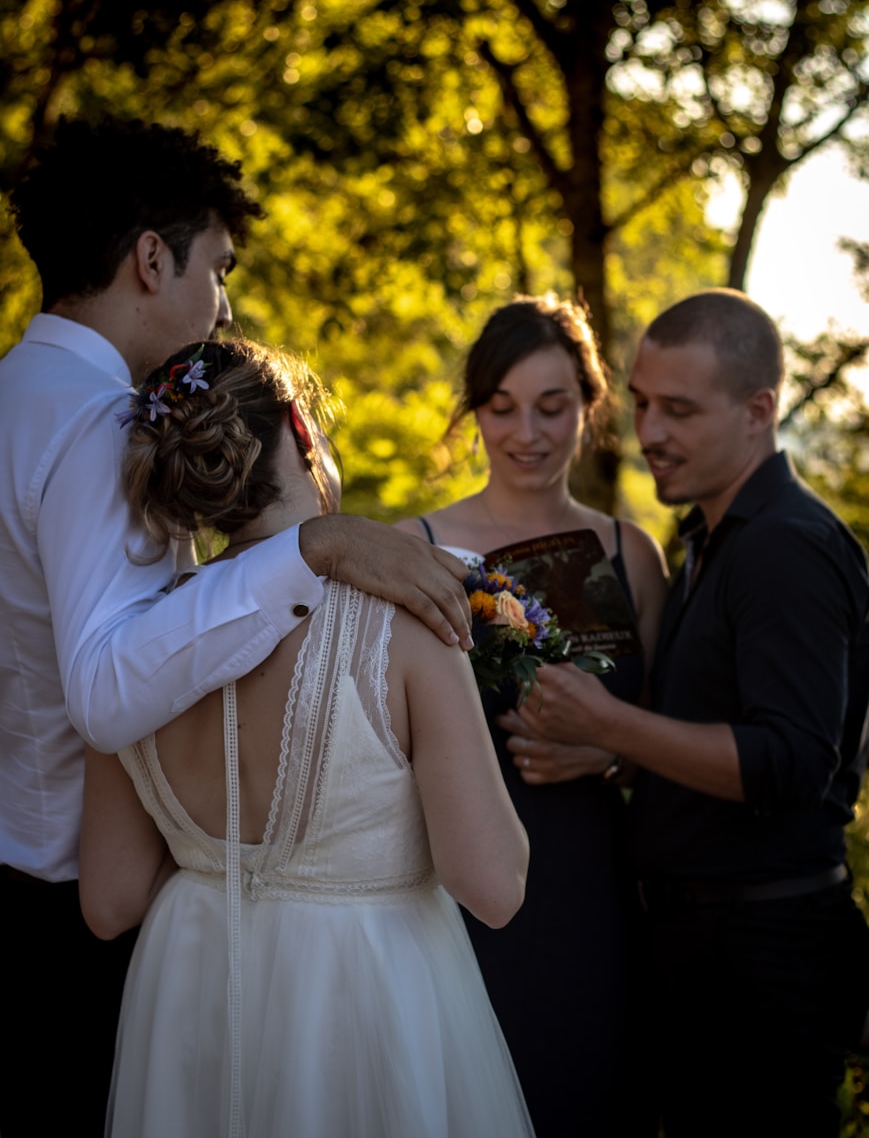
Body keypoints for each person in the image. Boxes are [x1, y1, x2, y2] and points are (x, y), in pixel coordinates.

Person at [0, 115, 471, 1137]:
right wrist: (307, 551)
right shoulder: (93, 425)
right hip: (65, 913)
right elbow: (105, 685)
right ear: (150, 259)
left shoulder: (13, 396)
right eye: (218, 270)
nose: (222, 307)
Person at [78, 336, 533, 1138]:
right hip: (365, 994)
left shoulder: (133, 652)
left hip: (191, 995)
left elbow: (111, 903)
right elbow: (492, 886)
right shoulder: (408, 620)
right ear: (301, 427)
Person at [501, 288, 869, 1138]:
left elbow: (787, 763)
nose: (649, 431)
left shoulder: (782, 545)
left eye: (678, 409)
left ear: (758, 410)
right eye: (638, 404)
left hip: (762, 951)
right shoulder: (711, 538)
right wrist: (609, 760)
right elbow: (710, 735)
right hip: (703, 944)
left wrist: (607, 725)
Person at [396, 293, 669, 1137]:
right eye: (501, 407)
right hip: (459, 893)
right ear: (473, 411)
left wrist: (610, 756)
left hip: (596, 892)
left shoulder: (629, 553)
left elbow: (667, 736)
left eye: (552, 407)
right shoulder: (417, 546)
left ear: (588, 409)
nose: (526, 433)